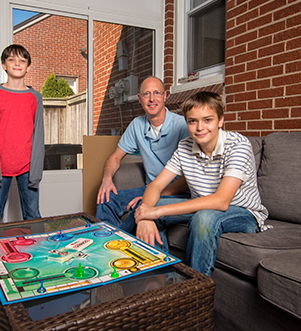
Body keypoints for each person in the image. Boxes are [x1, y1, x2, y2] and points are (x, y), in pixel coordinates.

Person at [134, 91, 270, 276]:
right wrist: (146, 214)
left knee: (204, 218)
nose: (200, 127)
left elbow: (221, 201)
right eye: (192, 121)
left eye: (207, 120)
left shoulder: (239, 145)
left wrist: (156, 211)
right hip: (202, 206)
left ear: (220, 120)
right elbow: (156, 185)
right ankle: (163, 280)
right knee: (144, 206)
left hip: (243, 212)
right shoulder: (185, 146)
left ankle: (195, 289)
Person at [96, 76, 191, 232]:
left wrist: (153, 197)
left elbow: (189, 178)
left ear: (165, 96)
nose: (152, 99)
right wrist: (107, 180)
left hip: (178, 192)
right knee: (106, 198)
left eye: (157, 93)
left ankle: (121, 242)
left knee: (142, 208)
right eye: (146, 94)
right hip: (150, 188)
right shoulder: (137, 125)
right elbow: (115, 157)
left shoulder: (182, 126)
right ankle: (107, 244)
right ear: (139, 99)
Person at [0, 44, 44, 224]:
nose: (17, 63)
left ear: (28, 67)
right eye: (11, 59)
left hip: (28, 167)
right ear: (3, 65)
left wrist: (36, 172)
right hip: (0, 168)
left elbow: (38, 135)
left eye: (22, 60)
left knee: (32, 215)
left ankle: (36, 251)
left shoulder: (35, 97)